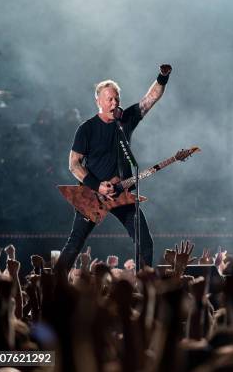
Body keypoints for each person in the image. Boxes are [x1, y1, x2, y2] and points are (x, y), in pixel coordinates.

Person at [54, 64, 173, 273]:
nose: (114, 102)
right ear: (98, 101)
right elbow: (73, 164)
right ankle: (54, 286)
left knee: (145, 243)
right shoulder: (87, 129)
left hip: (122, 194)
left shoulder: (125, 121)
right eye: (109, 99)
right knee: (75, 243)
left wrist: (163, 77)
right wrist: (97, 186)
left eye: (116, 98)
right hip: (92, 195)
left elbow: (151, 99)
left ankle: (142, 290)